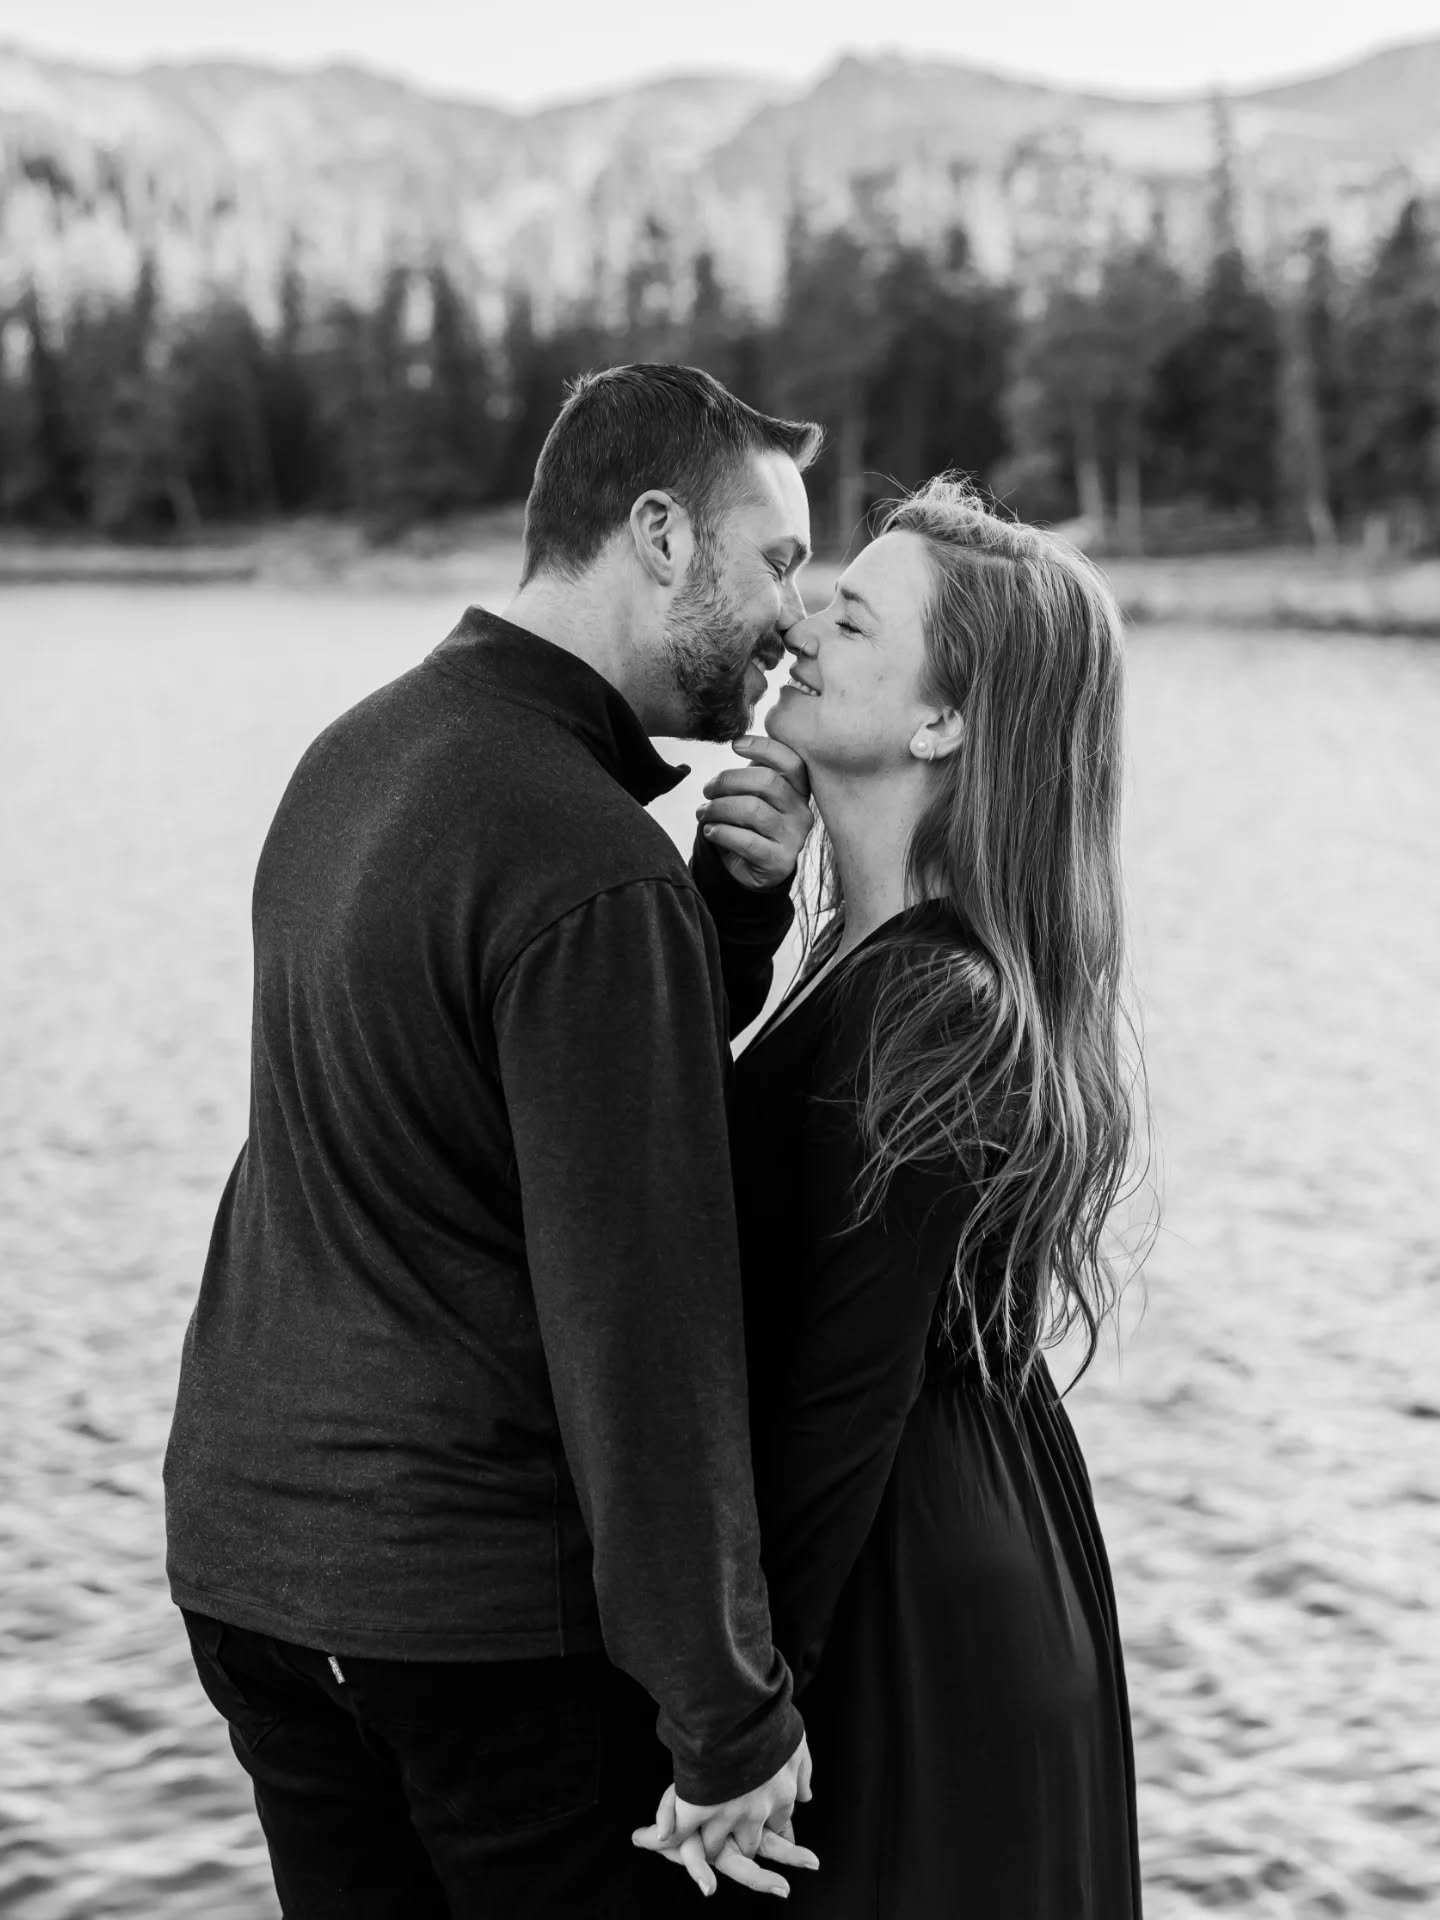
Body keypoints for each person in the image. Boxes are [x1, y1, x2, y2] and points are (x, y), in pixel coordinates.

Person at [163, 364, 827, 1917]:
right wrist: (730, 1716)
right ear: (661, 536)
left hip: (255, 1577)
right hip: (465, 1620)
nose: (796, 620)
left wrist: (717, 925)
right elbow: (643, 1329)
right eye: (780, 559)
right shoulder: (587, 865)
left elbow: (480, 1112)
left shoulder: (363, 757)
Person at [638, 476, 1148, 1915]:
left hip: (913, 1593)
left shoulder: (939, 1000)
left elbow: (840, 1386)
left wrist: (741, 1721)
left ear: (942, 723)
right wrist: (737, 912)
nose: (801, 618)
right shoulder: (874, 962)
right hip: (916, 1548)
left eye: (853, 615)